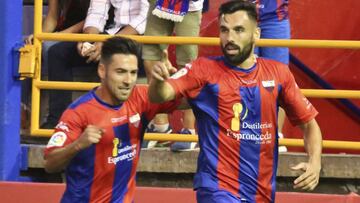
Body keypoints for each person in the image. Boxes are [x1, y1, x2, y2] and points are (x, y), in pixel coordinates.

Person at [148, 1, 322, 202]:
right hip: (216, 189)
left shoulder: (278, 74)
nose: (230, 38)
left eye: (239, 30)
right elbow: (160, 95)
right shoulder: (202, 69)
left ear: (256, 34)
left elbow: (309, 125)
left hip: (261, 193)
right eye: (224, 30)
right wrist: (159, 82)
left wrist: (315, 162)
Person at [44, 37, 182, 203]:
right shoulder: (78, 112)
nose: (128, 81)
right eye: (120, 72)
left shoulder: (140, 98)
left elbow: (188, 102)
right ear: (102, 71)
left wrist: (173, 83)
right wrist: (78, 145)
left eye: (133, 73)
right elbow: (50, 163)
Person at [41, 0, 149, 129]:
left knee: (113, 55)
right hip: (112, 33)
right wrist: (88, 39)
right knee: (57, 53)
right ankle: (59, 123)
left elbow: (145, 18)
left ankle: (113, 125)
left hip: (141, 37)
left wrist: (108, 41)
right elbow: (96, 13)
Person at [141, 0, 204, 150]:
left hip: (190, 5)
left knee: (188, 66)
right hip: (158, 3)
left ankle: (189, 130)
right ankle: (160, 126)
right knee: (151, 56)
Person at [252, 0, 291, 150]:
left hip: (276, 17)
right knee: (243, 75)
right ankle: (247, 132)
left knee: (279, 78)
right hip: (243, 14)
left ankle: (276, 134)